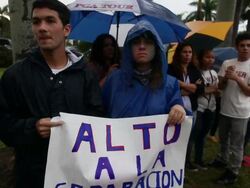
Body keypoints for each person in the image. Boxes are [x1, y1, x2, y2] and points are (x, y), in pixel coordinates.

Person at [0, 1, 103, 188]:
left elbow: (98, 116)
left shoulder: (86, 74)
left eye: (50, 21)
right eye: (36, 22)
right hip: (32, 178)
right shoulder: (15, 75)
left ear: (66, 29)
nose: (42, 28)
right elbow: (4, 125)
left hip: (77, 176)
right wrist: (33, 127)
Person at [102, 20, 185, 126]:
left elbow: (182, 118)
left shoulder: (170, 84)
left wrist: (178, 108)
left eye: (148, 42)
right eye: (136, 42)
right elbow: (99, 114)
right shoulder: (114, 80)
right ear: (129, 48)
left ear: (156, 48)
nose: (142, 46)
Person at [210, 32, 250, 185]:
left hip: (241, 113)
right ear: (236, 47)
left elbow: (248, 92)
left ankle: (233, 171)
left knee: (237, 144)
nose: (245, 48)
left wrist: (237, 78)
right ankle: (222, 159)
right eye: (242, 45)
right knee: (223, 139)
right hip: (225, 109)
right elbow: (220, 87)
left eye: (248, 45)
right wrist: (226, 78)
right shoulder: (227, 63)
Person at [168, 43, 204, 171]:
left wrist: (180, 83)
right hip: (175, 109)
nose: (188, 55)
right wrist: (191, 87)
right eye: (185, 52)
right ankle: (172, 163)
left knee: (189, 136)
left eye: (190, 52)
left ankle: (186, 162)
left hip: (192, 109)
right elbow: (170, 89)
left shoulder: (194, 70)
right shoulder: (170, 69)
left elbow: (200, 89)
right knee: (174, 137)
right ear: (178, 53)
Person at [194, 49, 219, 169]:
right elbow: (196, 90)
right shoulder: (196, 72)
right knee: (196, 132)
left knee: (203, 134)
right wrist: (209, 89)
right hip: (199, 107)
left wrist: (215, 90)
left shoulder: (214, 73)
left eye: (212, 57)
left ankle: (199, 159)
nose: (210, 60)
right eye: (207, 57)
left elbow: (216, 89)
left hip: (212, 107)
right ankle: (188, 160)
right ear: (200, 59)